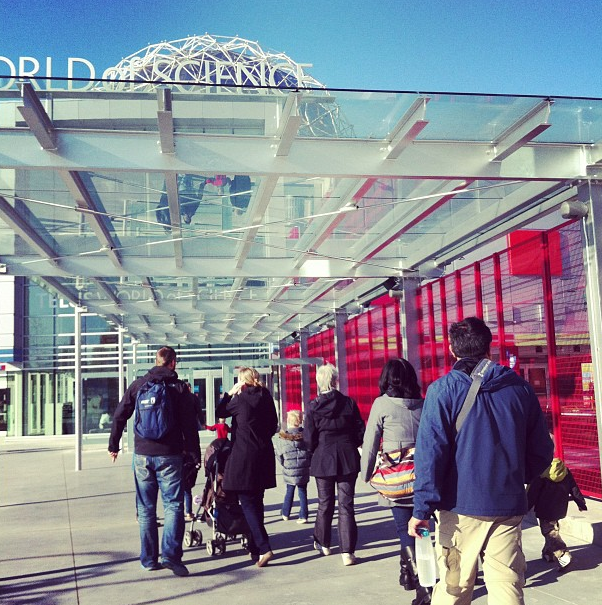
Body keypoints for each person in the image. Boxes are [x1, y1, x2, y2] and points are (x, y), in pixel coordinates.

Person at [408, 317, 554, 605]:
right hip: (507, 505)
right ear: (489, 348)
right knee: (507, 586)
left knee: (454, 588)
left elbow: (430, 454)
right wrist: (513, 477)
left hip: (460, 508)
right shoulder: (520, 389)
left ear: (452, 349)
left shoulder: (442, 391)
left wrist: (421, 508)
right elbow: (541, 451)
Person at [108, 346, 201, 577]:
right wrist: (194, 453)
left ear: (156, 361)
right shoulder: (179, 388)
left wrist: (114, 445)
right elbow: (190, 425)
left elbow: (119, 415)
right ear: (173, 363)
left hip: (142, 455)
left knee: (146, 509)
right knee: (174, 505)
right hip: (170, 455)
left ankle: (149, 560)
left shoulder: (139, 385)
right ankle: (171, 557)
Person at [360, 358, 430, 605]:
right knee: (421, 528)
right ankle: (408, 574)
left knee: (403, 529)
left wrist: (365, 474)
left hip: (396, 478)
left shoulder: (381, 404)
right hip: (422, 477)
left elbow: (370, 442)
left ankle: (424, 587)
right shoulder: (423, 404)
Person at [215, 366, 279, 567]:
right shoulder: (266, 397)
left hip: (243, 457)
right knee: (257, 502)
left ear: (242, 381)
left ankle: (264, 547)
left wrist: (229, 393)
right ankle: (255, 549)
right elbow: (273, 425)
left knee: (248, 504)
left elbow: (220, 412)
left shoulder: (240, 400)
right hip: (263, 455)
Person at [304, 363, 365, 566]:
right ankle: (347, 552)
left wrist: (315, 450)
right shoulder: (348, 403)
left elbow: (309, 437)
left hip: (323, 456)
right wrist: (351, 444)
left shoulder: (313, 407)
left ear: (319, 382)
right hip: (347, 456)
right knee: (346, 505)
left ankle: (324, 543)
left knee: (324, 502)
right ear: (335, 380)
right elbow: (359, 431)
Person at [528, 441, 588, 571]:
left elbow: (533, 492)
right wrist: (581, 503)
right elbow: (574, 488)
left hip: (544, 509)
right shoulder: (564, 470)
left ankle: (563, 554)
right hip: (559, 508)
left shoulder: (541, 472)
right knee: (552, 528)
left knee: (549, 532)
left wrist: (525, 507)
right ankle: (548, 553)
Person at [276, 409, 312, 524]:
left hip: (289, 469)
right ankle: (303, 515)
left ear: (288, 421)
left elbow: (279, 455)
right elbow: (310, 452)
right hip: (303, 469)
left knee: (289, 491)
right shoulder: (306, 436)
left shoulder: (283, 437)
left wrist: (285, 464)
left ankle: (285, 513)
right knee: (303, 492)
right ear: (300, 421)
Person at [183, 381, 204, 520]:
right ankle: (188, 512)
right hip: (191, 448)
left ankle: (180, 512)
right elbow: (199, 411)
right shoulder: (193, 398)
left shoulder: (178, 399)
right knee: (187, 488)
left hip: (180, 452)